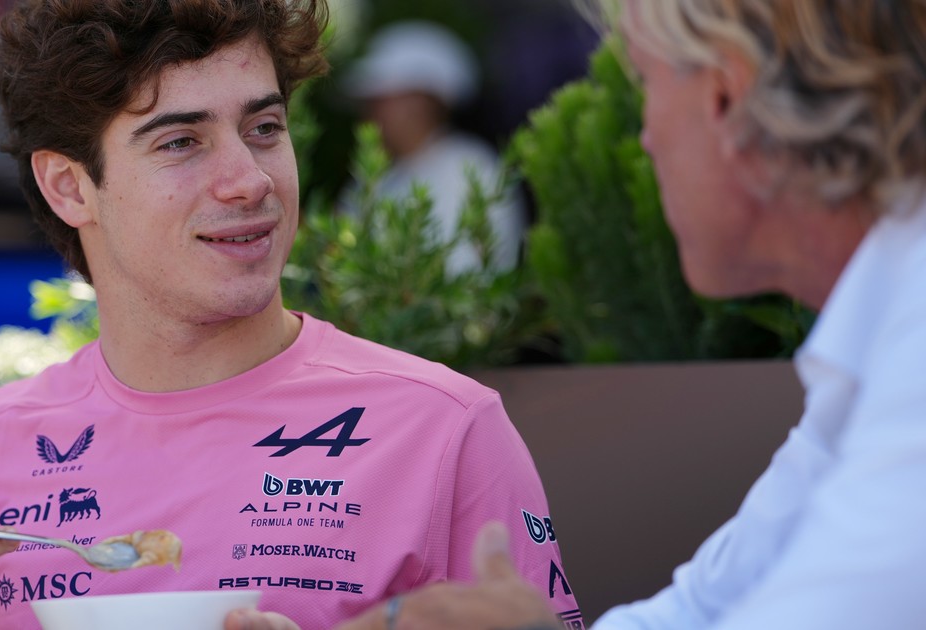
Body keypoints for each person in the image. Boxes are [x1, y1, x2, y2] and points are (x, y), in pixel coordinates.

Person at [0, 1, 581, 629]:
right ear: (69, 187)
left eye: (263, 128)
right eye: (181, 142)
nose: (250, 180)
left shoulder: (444, 430)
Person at [235, 0, 926, 628]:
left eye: (647, 86)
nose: (646, 137)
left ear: (726, 98)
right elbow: (698, 608)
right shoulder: (875, 361)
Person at [340, 20, 525, 275]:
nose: (370, 113)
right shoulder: (372, 177)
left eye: (382, 101)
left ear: (423, 103)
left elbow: (459, 276)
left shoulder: (469, 168)